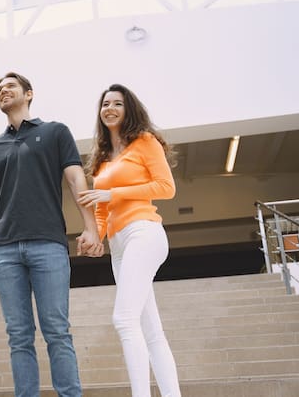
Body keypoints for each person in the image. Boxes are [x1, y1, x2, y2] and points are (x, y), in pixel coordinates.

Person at [0, 72, 101, 397]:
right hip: (4, 250)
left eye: (10, 86)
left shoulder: (55, 132)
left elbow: (75, 180)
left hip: (48, 244)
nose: (3, 91)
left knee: (56, 330)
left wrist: (92, 227)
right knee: (18, 335)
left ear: (29, 94)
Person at [77, 84, 181, 397]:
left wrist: (114, 193)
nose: (109, 108)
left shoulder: (145, 142)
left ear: (128, 109)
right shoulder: (102, 158)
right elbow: (102, 208)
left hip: (144, 231)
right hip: (119, 246)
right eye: (105, 104)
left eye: (117, 104)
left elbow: (166, 187)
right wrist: (95, 237)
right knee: (151, 331)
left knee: (124, 319)